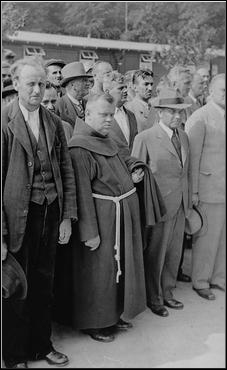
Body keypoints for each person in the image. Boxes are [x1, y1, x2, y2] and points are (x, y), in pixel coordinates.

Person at [68, 93, 165, 342]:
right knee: (97, 273)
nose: (109, 120)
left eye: (112, 115)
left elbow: (123, 159)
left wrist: (133, 168)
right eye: (103, 115)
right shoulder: (79, 147)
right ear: (87, 114)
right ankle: (95, 322)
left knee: (114, 271)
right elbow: (80, 193)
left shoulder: (106, 140)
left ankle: (112, 314)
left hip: (118, 218)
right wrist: (89, 232)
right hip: (100, 221)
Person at [2, 56, 77, 368]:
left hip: (50, 212)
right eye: (30, 83)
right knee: (16, 288)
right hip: (17, 218)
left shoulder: (52, 121)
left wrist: (66, 217)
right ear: (16, 83)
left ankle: (41, 346)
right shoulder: (4, 123)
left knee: (44, 284)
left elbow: (66, 171)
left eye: (41, 84)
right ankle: (15, 355)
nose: (36, 89)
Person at [132, 88, 191, 317]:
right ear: (159, 113)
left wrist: (189, 198)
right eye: (172, 112)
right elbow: (135, 175)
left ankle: (167, 292)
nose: (177, 117)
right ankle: (153, 297)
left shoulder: (183, 136)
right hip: (158, 206)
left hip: (180, 204)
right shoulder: (145, 138)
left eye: (180, 113)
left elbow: (186, 172)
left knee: (174, 253)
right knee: (156, 253)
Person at [185, 74, 225, 300]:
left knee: (223, 239)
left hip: (224, 189)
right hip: (207, 189)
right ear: (211, 91)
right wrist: (194, 191)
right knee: (207, 238)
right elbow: (193, 157)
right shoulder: (201, 117)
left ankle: (219, 278)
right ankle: (200, 281)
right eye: (223, 90)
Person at [108, 73, 138, 155]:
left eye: (125, 87)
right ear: (108, 91)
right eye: (120, 88)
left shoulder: (131, 115)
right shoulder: (102, 115)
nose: (125, 91)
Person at [55, 61, 91, 128]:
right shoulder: (59, 105)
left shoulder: (89, 103)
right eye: (84, 80)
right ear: (72, 85)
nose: (88, 83)